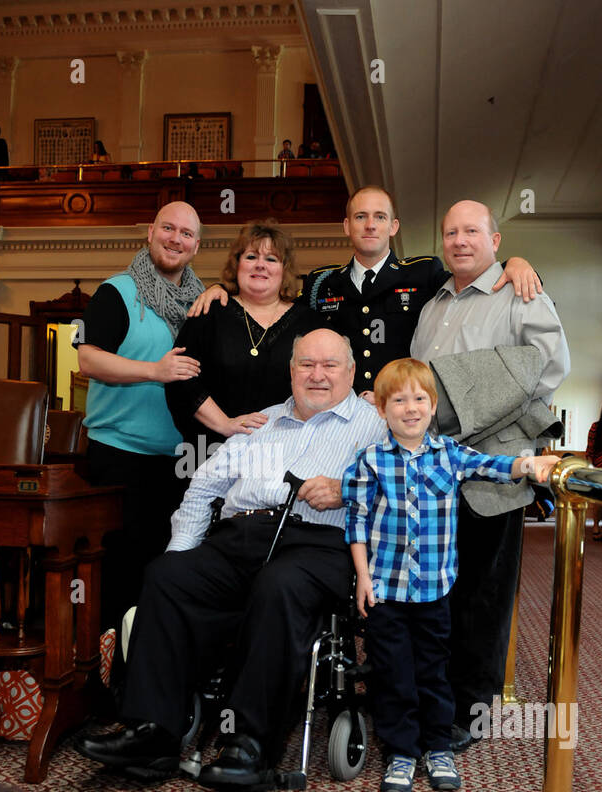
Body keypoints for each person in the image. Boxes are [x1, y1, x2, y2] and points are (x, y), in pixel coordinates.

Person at [78, 328, 386, 788]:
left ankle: (250, 745)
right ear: (291, 370)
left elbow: (401, 489)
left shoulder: (375, 425)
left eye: (329, 366)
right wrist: (183, 553)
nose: (317, 375)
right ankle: (151, 732)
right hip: (240, 536)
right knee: (168, 575)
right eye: (306, 364)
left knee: (278, 586)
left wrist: (347, 490)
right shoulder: (260, 421)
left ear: (351, 372)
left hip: (319, 543)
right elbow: (204, 488)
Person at [343, 358, 559, 792]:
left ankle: (437, 745)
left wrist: (528, 466)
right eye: (398, 400)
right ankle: (401, 751)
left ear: (433, 405)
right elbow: (357, 522)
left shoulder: (450, 454)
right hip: (386, 592)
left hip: (434, 591)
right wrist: (363, 577)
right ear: (382, 410)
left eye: (419, 398)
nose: (410, 408)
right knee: (393, 673)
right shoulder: (369, 460)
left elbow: (493, 466)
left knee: (435, 671)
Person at [410, 200, 571, 753]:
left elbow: (549, 367)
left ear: (495, 240)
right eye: (450, 231)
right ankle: (431, 699)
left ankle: (469, 715)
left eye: (471, 231)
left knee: (483, 597)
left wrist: (471, 410)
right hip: (432, 473)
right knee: (435, 594)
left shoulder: (519, 292)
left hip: (494, 473)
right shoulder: (432, 304)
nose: (459, 240)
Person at [188, 187, 541, 402]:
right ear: (347, 226)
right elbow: (273, 306)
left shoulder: (424, 272)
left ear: (393, 226)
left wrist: (514, 264)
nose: (370, 225)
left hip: (401, 412)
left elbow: (471, 275)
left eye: (379, 217)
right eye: (360, 216)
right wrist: (225, 288)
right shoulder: (321, 284)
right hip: (338, 414)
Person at [73, 201, 206, 664]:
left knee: (164, 574)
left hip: (181, 463)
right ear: (150, 232)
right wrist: (155, 370)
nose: (176, 238)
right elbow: (87, 360)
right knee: (119, 575)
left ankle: (145, 677)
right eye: (167, 228)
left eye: (186, 233)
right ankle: (103, 678)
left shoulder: (202, 302)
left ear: (196, 245)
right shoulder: (117, 291)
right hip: (119, 458)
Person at [165, 220, 325, 468]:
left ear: (284, 269)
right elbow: (181, 379)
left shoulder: (310, 323)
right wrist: (225, 424)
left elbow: (324, 386)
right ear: (236, 264)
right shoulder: (209, 312)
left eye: (272, 259)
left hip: (286, 457)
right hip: (212, 454)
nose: (261, 265)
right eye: (251, 256)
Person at [586, 399, 602, 539]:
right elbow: (590, 448)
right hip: (599, 466)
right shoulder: (596, 426)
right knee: (598, 499)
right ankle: (595, 526)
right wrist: (589, 469)